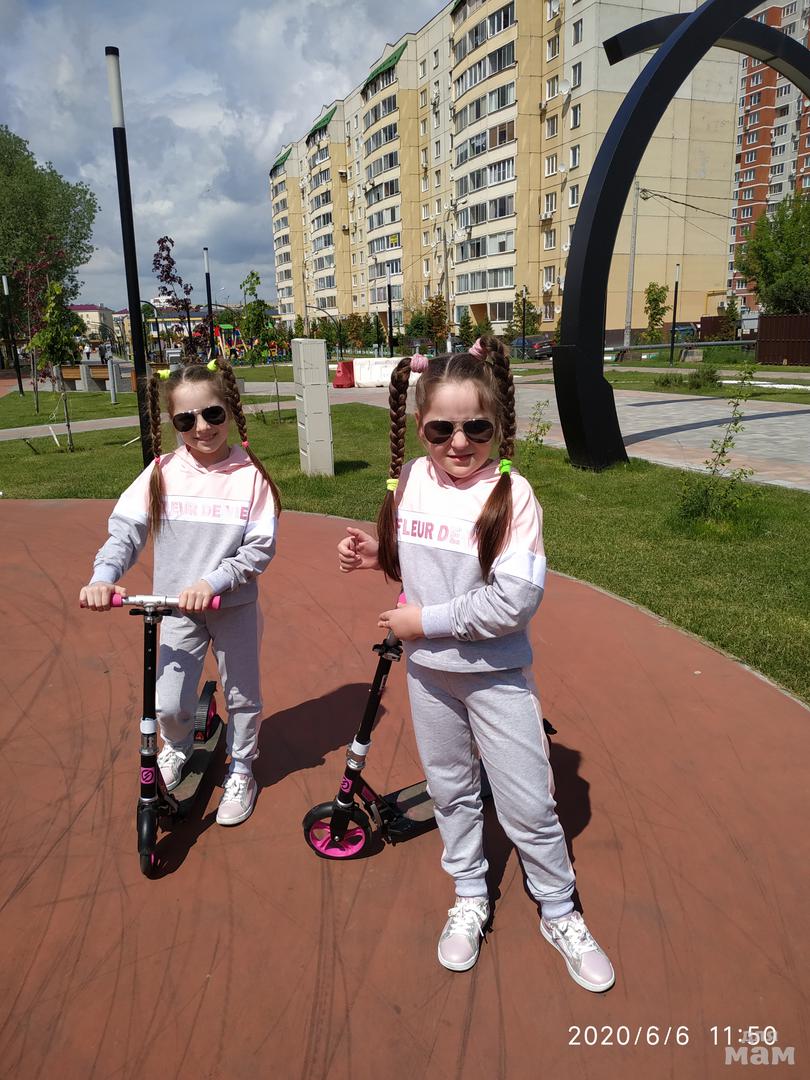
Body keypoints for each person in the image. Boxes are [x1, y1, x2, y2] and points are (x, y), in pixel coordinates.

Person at [337, 337, 614, 991]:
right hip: (430, 677)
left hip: (495, 679)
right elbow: (420, 560)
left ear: (497, 425)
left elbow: (513, 601)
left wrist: (423, 622)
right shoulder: (412, 480)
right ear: (420, 426)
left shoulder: (512, 496)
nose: (458, 443)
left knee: (529, 803)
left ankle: (560, 910)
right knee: (451, 792)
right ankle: (469, 893)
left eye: (476, 428)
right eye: (442, 429)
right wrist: (378, 557)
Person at [80, 356, 281, 826]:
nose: (202, 428)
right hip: (174, 608)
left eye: (212, 414)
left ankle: (242, 768)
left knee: (242, 695)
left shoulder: (251, 476)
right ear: (173, 423)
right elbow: (125, 533)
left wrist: (213, 582)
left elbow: (259, 549)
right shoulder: (161, 472)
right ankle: (177, 743)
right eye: (186, 420)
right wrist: (103, 575)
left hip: (231, 605)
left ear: (228, 409)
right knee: (168, 703)